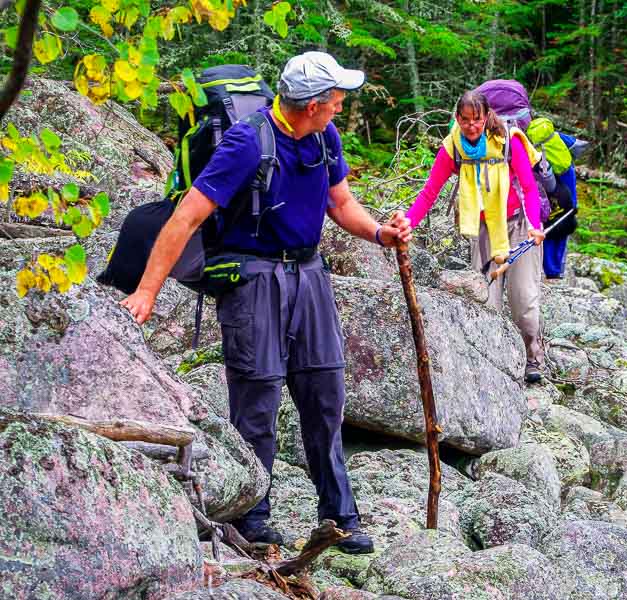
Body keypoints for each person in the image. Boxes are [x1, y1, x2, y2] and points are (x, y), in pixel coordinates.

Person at [121, 51, 412, 553]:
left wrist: (380, 234)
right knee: (257, 402)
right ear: (312, 104)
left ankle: (340, 514)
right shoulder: (245, 142)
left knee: (325, 394)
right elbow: (186, 218)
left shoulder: (324, 137)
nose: (341, 107)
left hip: (310, 274)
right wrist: (147, 290)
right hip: (254, 279)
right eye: (336, 100)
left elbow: (341, 203)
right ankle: (252, 516)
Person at [390, 91, 547, 383]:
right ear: (457, 119)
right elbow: (429, 193)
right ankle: (496, 361)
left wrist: (536, 224)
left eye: (477, 120)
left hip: (519, 226)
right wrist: (407, 223)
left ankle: (532, 358)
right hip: (484, 231)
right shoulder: (454, 148)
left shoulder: (508, 141)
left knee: (523, 301)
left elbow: (528, 187)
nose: (472, 126)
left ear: (487, 116)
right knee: (487, 303)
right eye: (465, 120)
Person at [527, 117, 590, 280]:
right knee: (565, 224)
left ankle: (547, 268)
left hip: (547, 187)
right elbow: (580, 146)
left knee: (548, 224)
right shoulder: (558, 137)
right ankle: (557, 271)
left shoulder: (531, 145)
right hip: (567, 185)